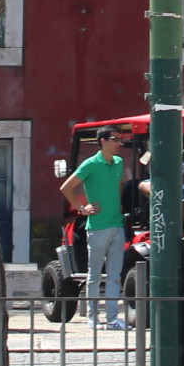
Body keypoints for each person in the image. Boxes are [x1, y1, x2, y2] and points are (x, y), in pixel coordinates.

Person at [62, 129, 130, 330]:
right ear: (103, 141)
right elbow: (66, 187)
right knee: (94, 275)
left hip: (117, 225)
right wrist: (82, 209)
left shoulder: (118, 162)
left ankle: (112, 318)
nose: (119, 143)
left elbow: (119, 185)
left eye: (120, 139)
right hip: (97, 227)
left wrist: (118, 205)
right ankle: (93, 318)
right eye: (115, 139)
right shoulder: (90, 163)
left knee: (115, 275)